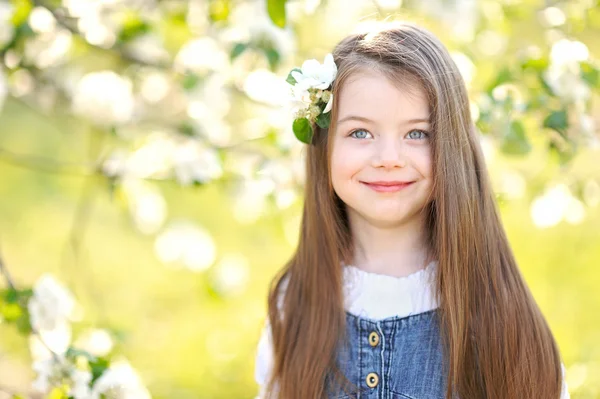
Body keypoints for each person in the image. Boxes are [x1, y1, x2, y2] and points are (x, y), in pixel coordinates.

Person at [254, 22, 570, 399]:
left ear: (451, 146)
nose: (389, 159)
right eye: (360, 133)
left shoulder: (497, 313)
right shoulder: (296, 305)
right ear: (324, 144)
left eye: (417, 133)